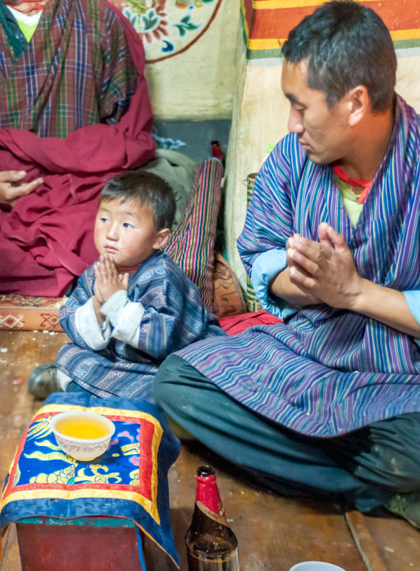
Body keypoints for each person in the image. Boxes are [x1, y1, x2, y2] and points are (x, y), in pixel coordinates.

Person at [154, 1, 420, 528]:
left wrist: (356, 293)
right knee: (176, 382)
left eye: (301, 107)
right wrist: (303, 283)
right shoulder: (289, 159)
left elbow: (357, 295)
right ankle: (376, 487)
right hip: (306, 352)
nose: (292, 124)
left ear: (355, 103)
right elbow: (259, 256)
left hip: (401, 376)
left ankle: (349, 468)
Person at [0, 0, 154, 296]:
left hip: (79, 192)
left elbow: (125, 134)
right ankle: (78, 280)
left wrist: (75, 174)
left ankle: (81, 276)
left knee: (124, 237)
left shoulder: (99, 19)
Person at [28, 172, 224, 401]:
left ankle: (78, 388)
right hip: (125, 359)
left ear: (159, 239)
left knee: (171, 387)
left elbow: (162, 340)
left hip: (171, 361)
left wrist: (116, 304)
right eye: (104, 220)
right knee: (70, 353)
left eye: (127, 225)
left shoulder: (163, 276)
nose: (110, 234)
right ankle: (79, 384)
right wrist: (97, 306)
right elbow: (70, 314)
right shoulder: (97, 272)